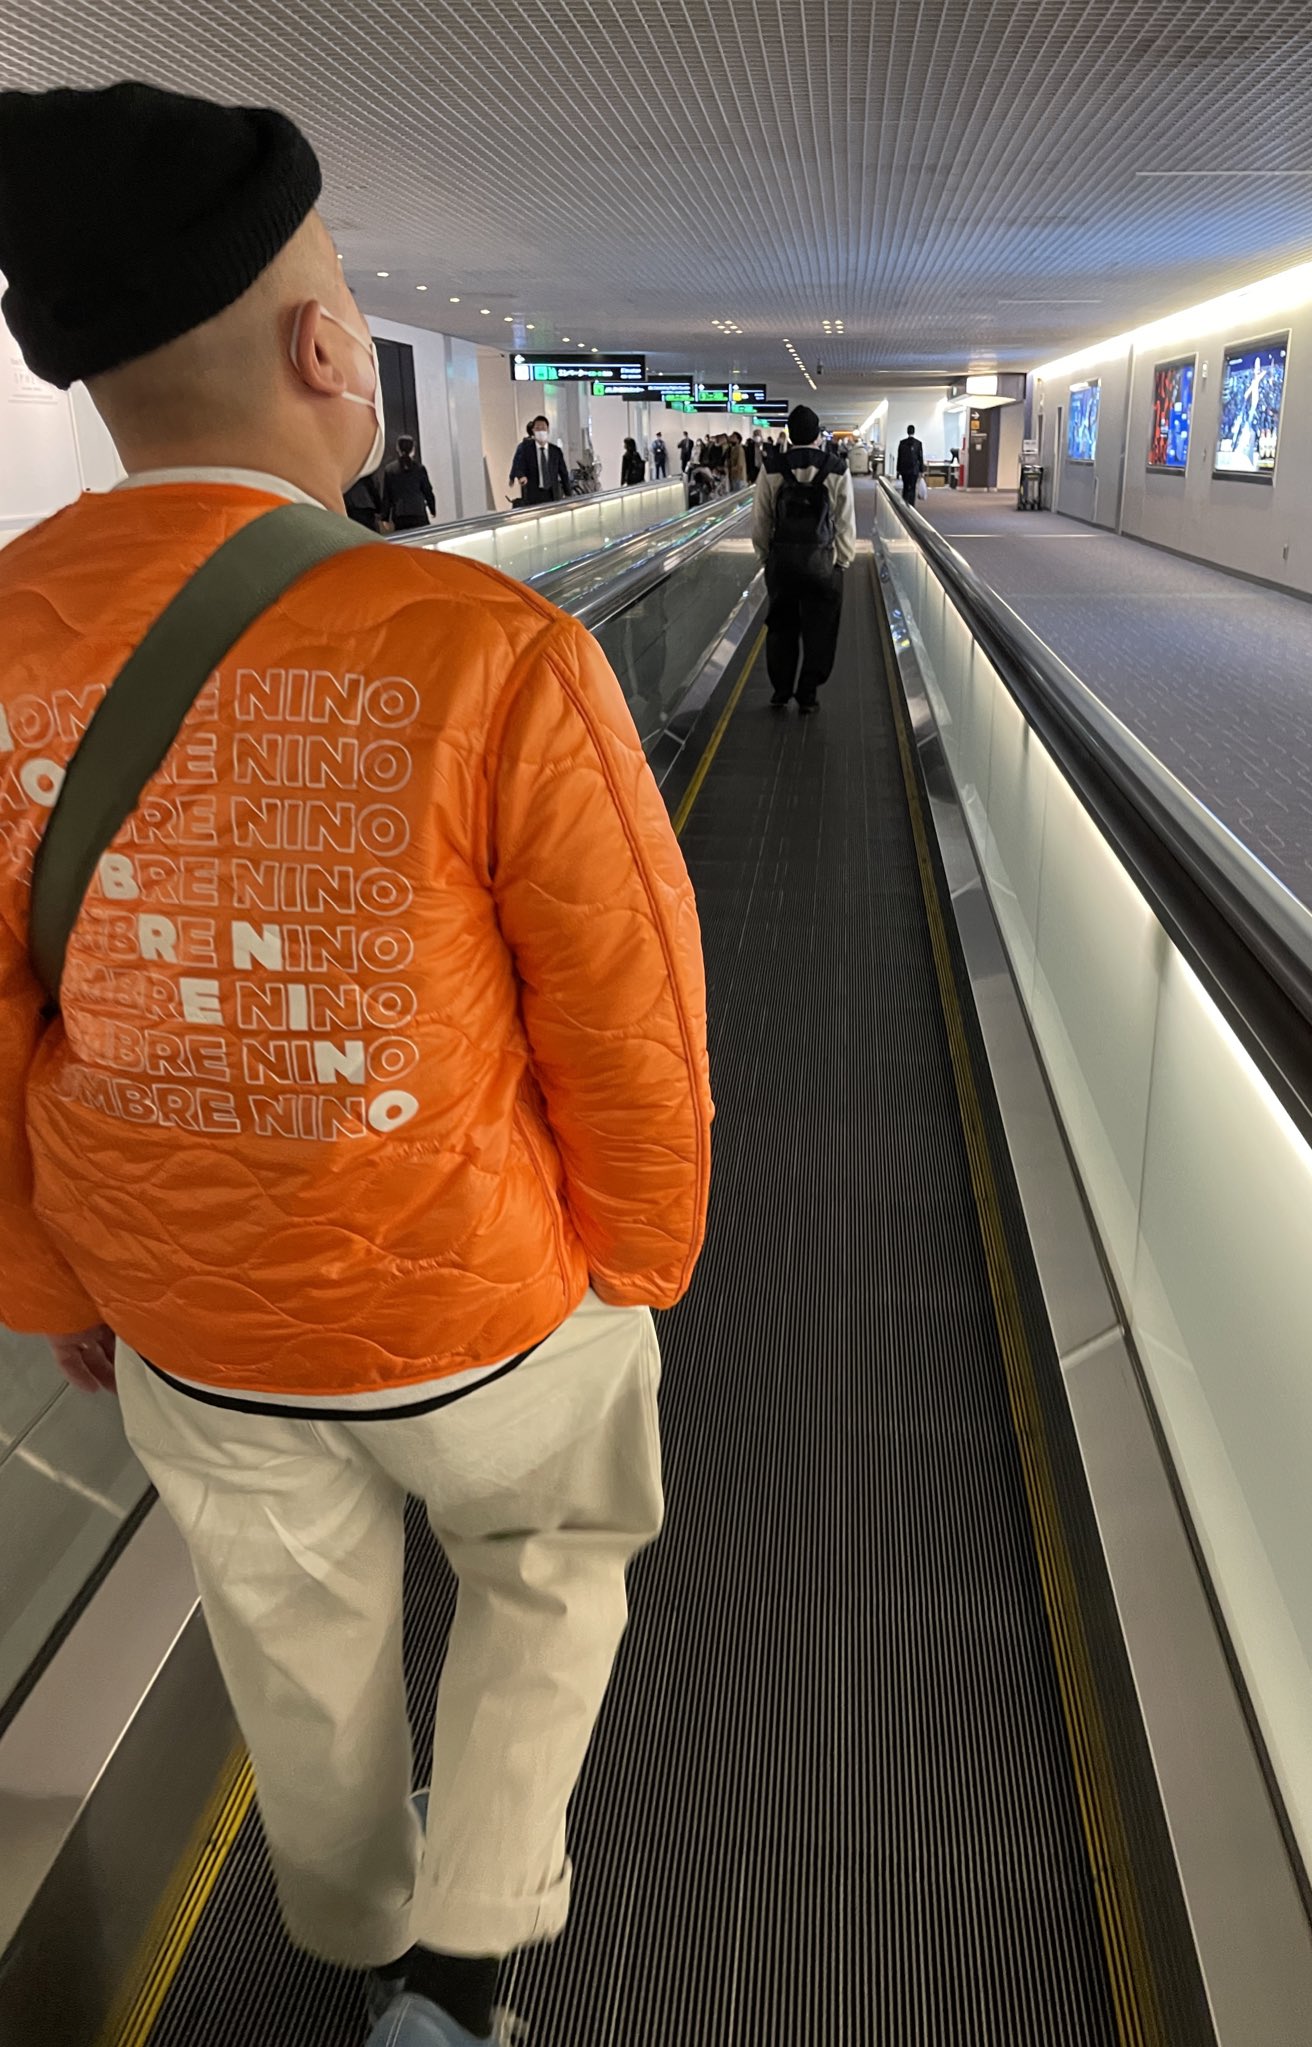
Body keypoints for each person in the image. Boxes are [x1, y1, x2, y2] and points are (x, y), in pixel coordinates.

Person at [0, 81, 712, 2047]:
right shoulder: (484, 641)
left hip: (189, 1323)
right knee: (550, 1561)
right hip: (479, 1303)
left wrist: (57, 1286)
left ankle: (343, 1927)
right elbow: (626, 1009)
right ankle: (458, 1974)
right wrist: (637, 1260)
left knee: (288, 1637)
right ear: (329, 352)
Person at [752, 403, 857, 714]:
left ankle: (781, 690)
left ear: (789, 434)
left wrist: (765, 556)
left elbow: (762, 518)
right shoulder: (836, 468)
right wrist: (842, 560)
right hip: (823, 564)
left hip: (782, 563)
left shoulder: (772, 467)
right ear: (817, 436)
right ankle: (808, 693)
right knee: (821, 629)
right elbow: (845, 520)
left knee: (781, 626)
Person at [508, 414, 570, 505]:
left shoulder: (555, 451)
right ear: (533, 430)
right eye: (537, 428)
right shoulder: (526, 449)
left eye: (543, 428)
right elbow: (519, 465)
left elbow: (563, 472)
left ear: (548, 430)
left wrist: (568, 493)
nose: (541, 431)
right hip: (533, 495)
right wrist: (520, 476)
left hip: (552, 494)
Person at [382, 434, 436, 530]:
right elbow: (427, 491)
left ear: (397, 448)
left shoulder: (390, 470)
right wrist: (432, 509)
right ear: (413, 449)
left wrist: (385, 517)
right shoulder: (419, 468)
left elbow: (387, 496)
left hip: (400, 514)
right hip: (418, 512)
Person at [896, 422, 925, 506]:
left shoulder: (902, 443)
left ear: (907, 431)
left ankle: (904, 503)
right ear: (914, 432)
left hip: (904, 469)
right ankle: (911, 505)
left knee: (905, 486)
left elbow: (899, 457)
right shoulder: (918, 443)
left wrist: (898, 469)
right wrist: (921, 470)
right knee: (912, 487)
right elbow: (920, 458)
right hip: (914, 470)